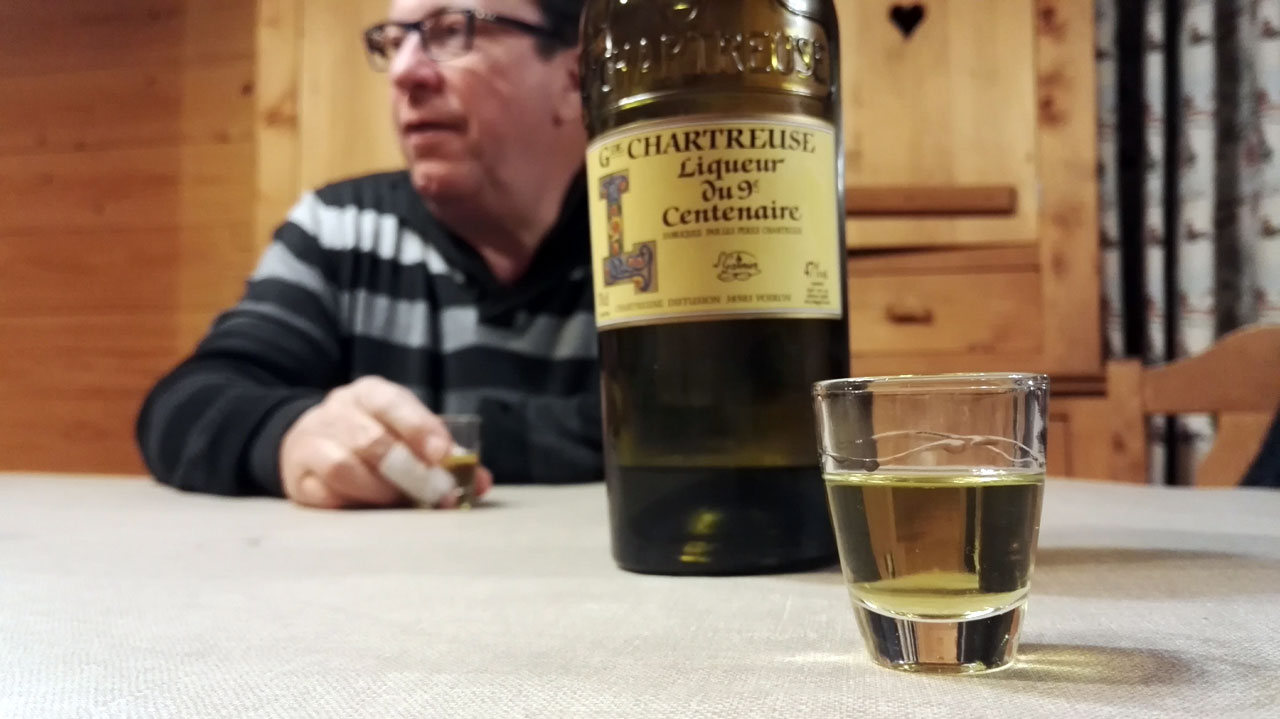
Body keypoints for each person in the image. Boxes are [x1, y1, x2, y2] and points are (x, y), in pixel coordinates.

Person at [136, 0, 600, 509]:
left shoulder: (644, 235)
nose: (404, 72)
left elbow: (669, 423)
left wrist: (423, 445)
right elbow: (189, 401)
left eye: (452, 32)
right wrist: (290, 432)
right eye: (395, 43)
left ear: (573, 81)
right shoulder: (340, 228)